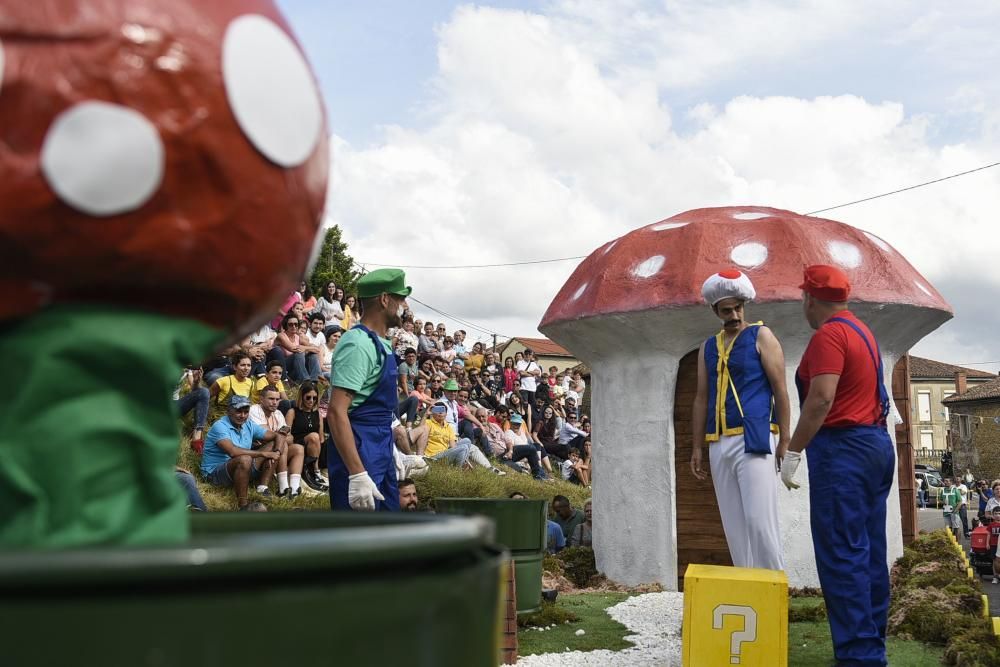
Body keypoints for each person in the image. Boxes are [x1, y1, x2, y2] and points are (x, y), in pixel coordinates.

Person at [780, 264, 896, 667]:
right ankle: (871, 645)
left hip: (843, 450)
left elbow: (821, 398)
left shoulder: (829, 334)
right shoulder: (863, 332)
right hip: (876, 446)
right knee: (868, 551)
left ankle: (860, 657)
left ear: (810, 298)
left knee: (841, 554)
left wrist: (793, 451)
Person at [690, 269, 789, 572]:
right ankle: (747, 589)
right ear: (715, 311)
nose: (733, 315)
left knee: (760, 522)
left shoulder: (762, 335)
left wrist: (785, 440)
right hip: (718, 442)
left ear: (744, 305)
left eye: (737, 307)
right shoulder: (708, 346)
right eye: (726, 310)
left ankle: (775, 588)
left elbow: (780, 390)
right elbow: (701, 397)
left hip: (756, 436)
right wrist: (696, 447)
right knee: (734, 526)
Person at [328, 268, 413, 511]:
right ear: (385, 299)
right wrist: (357, 473)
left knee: (386, 532)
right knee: (357, 536)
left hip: (380, 444)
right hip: (359, 446)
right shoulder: (357, 344)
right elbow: (336, 412)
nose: (404, 306)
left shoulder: (383, 343)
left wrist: (396, 454)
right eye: (400, 299)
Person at [200, 395, 283, 511]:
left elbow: (277, 435)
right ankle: (243, 506)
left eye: (246, 412)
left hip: (241, 467)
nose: (243, 415)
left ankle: (262, 488)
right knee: (245, 459)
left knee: (272, 445)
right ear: (229, 411)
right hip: (214, 473)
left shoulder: (248, 423)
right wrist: (264, 454)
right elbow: (233, 452)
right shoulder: (219, 426)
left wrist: (276, 452)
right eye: (238, 411)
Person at [249, 384, 304, 497]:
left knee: (298, 448)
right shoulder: (254, 410)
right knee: (281, 444)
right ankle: (283, 488)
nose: (275, 402)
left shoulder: (278, 414)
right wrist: (281, 437)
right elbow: (266, 436)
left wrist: (280, 437)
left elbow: (291, 437)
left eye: (277, 399)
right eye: (271, 399)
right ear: (261, 399)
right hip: (256, 451)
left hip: (275, 449)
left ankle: (293, 489)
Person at [286, 381, 328, 494]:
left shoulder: (317, 414)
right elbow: (287, 434)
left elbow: (321, 436)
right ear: (302, 397)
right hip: (297, 443)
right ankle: (315, 471)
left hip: (315, 446)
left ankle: (318, 470)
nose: (311, 401)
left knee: (320, 439)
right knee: (314, 437)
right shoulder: (292, 412)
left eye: (314, 398)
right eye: (308, 397)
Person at [208, 351, 254, 423]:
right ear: (235, 367)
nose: (246, 368)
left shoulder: (251, 383)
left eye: (249, 365)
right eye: (243, 365)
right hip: (222, 420)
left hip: (242, 421)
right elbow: (205, 398)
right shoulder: (223, 381)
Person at [175, 365, 209, 453]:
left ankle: (196, 438)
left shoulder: (187, 368)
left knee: (204, 392)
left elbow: (194, 389)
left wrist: (197, 381)